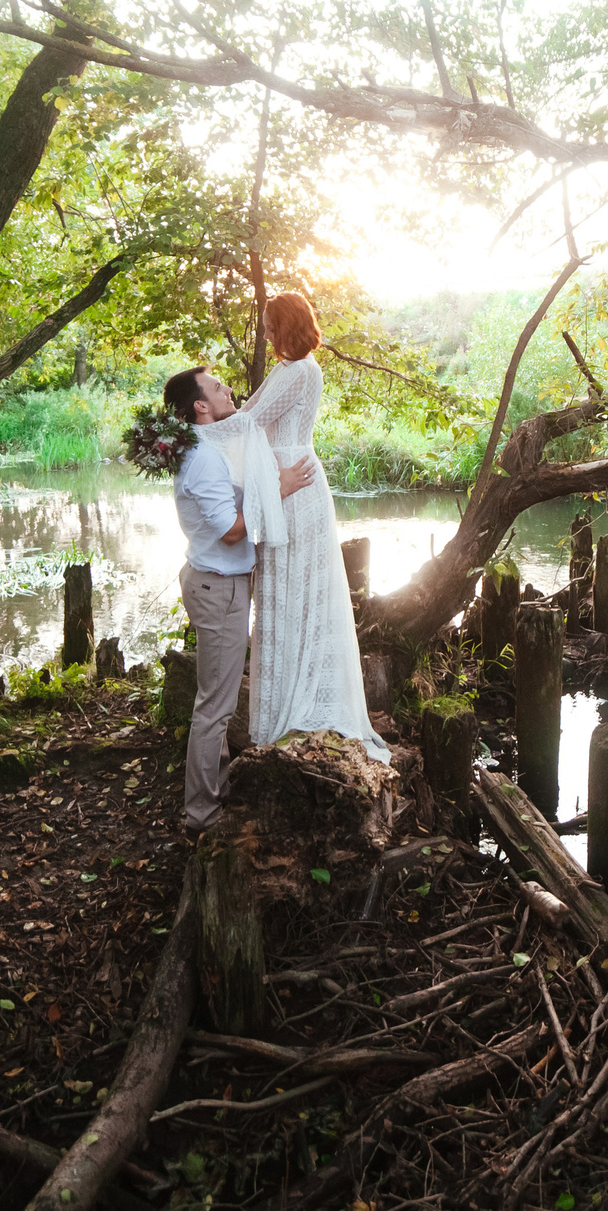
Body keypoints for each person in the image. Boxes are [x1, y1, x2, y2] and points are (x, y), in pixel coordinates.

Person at [230, 294, 394, 767]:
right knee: (283, 590)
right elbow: (249, 414)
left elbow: (247, 424)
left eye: (270, 326)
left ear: (287, 327)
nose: (265, 334)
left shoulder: (300, 371)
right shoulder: (287, 370)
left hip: (294, 486)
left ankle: (304, 706)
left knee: (298, 589)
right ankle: (283, 709)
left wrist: (199, 433)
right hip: (284, 480)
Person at [166, 364, 313, 831]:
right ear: (200, 406)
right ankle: (203, 814)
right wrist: (279, 489)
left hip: (219, 585)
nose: (228, 389)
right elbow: (231, 531)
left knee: (218, 702)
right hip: (218, 589)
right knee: (215, 707)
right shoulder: (203, 458)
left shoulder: (206, 447)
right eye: (216, 387)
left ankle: (217, 792)